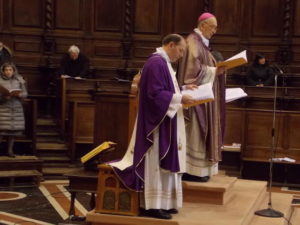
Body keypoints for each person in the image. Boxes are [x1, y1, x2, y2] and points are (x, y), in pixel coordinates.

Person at [110, 34, 196, 219]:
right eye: (180, 50)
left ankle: (165, 203)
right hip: (156, 125)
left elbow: (166, 88)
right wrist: (180, 98)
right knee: (155, 163)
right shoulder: (156, 63)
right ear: (171, 45)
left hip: (166, 120)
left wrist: (184, 89)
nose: (181, 55)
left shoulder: (164, 63)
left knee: (163, 163)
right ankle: (153, 206)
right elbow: (154, 94)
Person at [178, 12, 226, 182]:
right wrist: (214, 70)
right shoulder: (193, 42)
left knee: (199, 133)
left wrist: (217, 69)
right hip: (195, 99)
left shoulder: (201, 44)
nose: (215, 30)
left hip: (204, 98)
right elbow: (191, 73)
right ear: (203, 25)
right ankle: (191, 171)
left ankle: (199, 170)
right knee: (195, 132)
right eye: (212, 27)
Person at [0, 62, 27, 157]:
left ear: (13, 71)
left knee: (13, 132)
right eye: (6, 70)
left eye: (10, 70)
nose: (8, 72)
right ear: (3, 71)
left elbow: (25, 94)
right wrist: (3, 97)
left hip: (16, 108)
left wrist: (20, 95)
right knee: (1, 131)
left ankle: (10, 151)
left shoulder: (19, 80)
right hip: (3, 109)